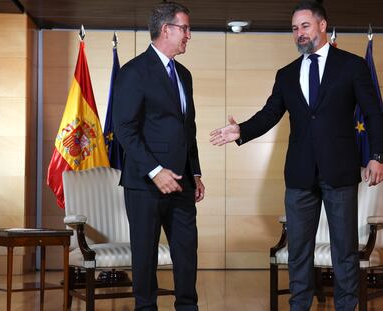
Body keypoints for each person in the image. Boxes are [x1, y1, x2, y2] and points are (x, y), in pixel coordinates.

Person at [210, 1, 383, 310]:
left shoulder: (352, 66)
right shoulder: (286, 74)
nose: (299, 33)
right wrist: (242, 132)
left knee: (344, 251)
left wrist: (378, 156)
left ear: (322, 25)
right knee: (298, 251)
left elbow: (374, 114)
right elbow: (269, 114)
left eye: (304, 26)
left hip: (340, 172)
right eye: (294, 29)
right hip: (300, 175)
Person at [113, 2, 205, 310]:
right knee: (145, 255)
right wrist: (155, 170)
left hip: (182, 183)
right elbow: (124, 129)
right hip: (145, 184)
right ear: (166, 30)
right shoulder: (133, 72)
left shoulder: (185, 75)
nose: (189, 35)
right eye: (185, 29)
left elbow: (186, 128)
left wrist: (195, 172)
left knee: (186, 252)